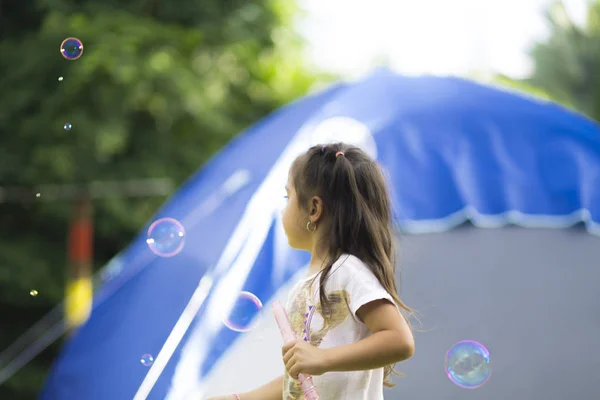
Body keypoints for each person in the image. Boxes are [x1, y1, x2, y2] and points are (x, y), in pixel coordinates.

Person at [208, 142, 415, 400]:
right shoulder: (306, 286)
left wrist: (323, 358)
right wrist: (243, 399)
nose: (283, 208)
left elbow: (399, 340)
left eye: (288, 197)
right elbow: (302, 379)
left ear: (314, 209)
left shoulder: (347, 271)